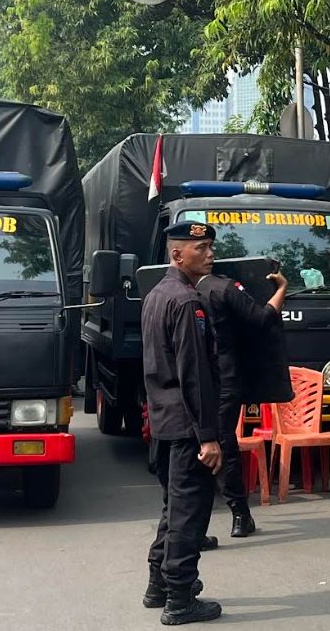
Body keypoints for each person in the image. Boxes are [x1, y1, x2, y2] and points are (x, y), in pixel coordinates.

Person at [140, 221, 224, 625]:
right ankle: (180, 598)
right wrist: (208, 436)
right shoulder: (187, 302)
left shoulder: (157, 294)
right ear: (178, 254)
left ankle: (159, 585)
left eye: (209, 247)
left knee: (174, 508)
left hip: (164, 421)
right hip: (188, 426)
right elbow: (193, 375)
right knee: (189, 512)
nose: (210, 255)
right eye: (201, 248)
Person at [195, 265, 288, 539]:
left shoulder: (178, 292)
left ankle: (196, 525)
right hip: (225, 378)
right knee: (223, 444)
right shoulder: (224, 288)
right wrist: (282, 289)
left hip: (194, 378)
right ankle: (239, 514)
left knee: (195, 446)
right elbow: (261, 320)